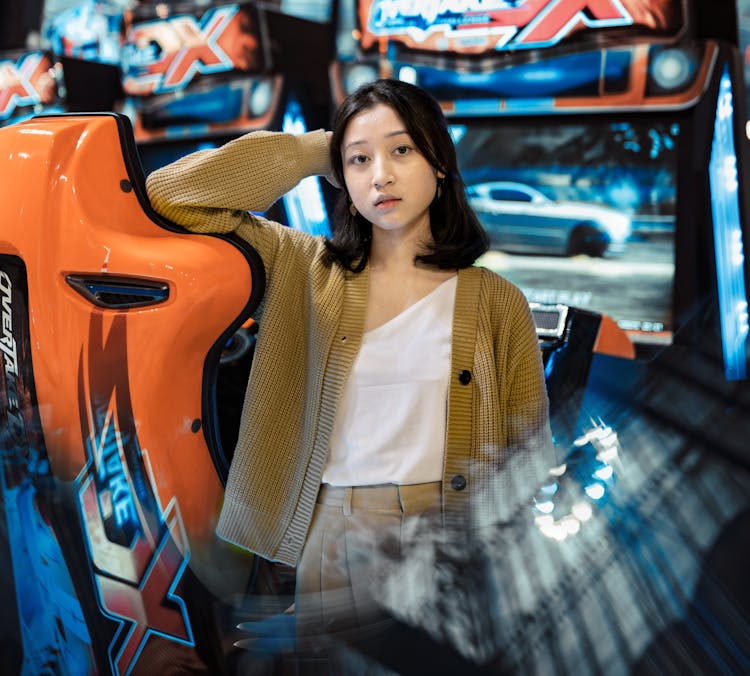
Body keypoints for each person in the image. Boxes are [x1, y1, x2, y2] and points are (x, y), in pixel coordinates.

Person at [145, 78, 552, 669]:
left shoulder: (498, 302)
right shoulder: (302, 269)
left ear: (440, 162)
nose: (379, 175)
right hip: (335, 535)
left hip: (452, 537)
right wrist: (316, 149)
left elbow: (530, 452)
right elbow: (172, 197)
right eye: (360, 160)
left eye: (401, 150)